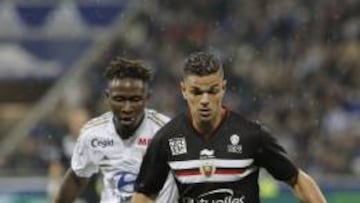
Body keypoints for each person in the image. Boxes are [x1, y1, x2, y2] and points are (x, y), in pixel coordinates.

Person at [131, 52, 327, 203]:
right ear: (183, 90)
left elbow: (297, 179)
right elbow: (144, 194)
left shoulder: (252, 135)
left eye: (212, 91)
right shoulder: (167, 138)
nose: (205, 100)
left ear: (223, 88)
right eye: (197, 92)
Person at [54, 57, 178, 203]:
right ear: (108, 97)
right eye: (119, 99)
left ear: (147, 98)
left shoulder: (166, 131)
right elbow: (76, 179)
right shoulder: (93, 134)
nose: (127, 108)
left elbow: (186, 178)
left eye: (135, 99)